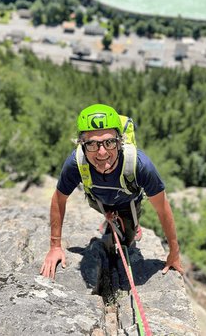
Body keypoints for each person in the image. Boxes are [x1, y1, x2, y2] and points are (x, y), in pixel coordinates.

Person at [40, 104, 183, 279]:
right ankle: (109, 219)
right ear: (82, 145)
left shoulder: (140, 165)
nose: (102, 152)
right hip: (98, 200)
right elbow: (58, 199)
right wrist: (55, 247)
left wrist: (174, 253)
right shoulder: (75, 163)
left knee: (127, 240)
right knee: (110, 219)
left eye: (109, 142)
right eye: (92, 144)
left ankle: (129, 225)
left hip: (128, 201)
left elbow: (162, 209)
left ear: (120, 141)